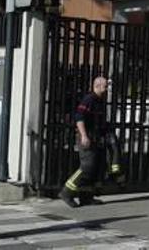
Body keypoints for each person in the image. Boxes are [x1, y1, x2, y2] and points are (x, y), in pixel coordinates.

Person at [59, 76, 123, 208]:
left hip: (96, 138)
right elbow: (79, 118)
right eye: (105, 86)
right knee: (87, 167)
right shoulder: (89, 100)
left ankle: (86, 197)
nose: (107, 89)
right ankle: (66, 192)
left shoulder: (99, 101)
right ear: (97, 86)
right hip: (87, 138)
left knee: (95, 169)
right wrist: (83, 136)